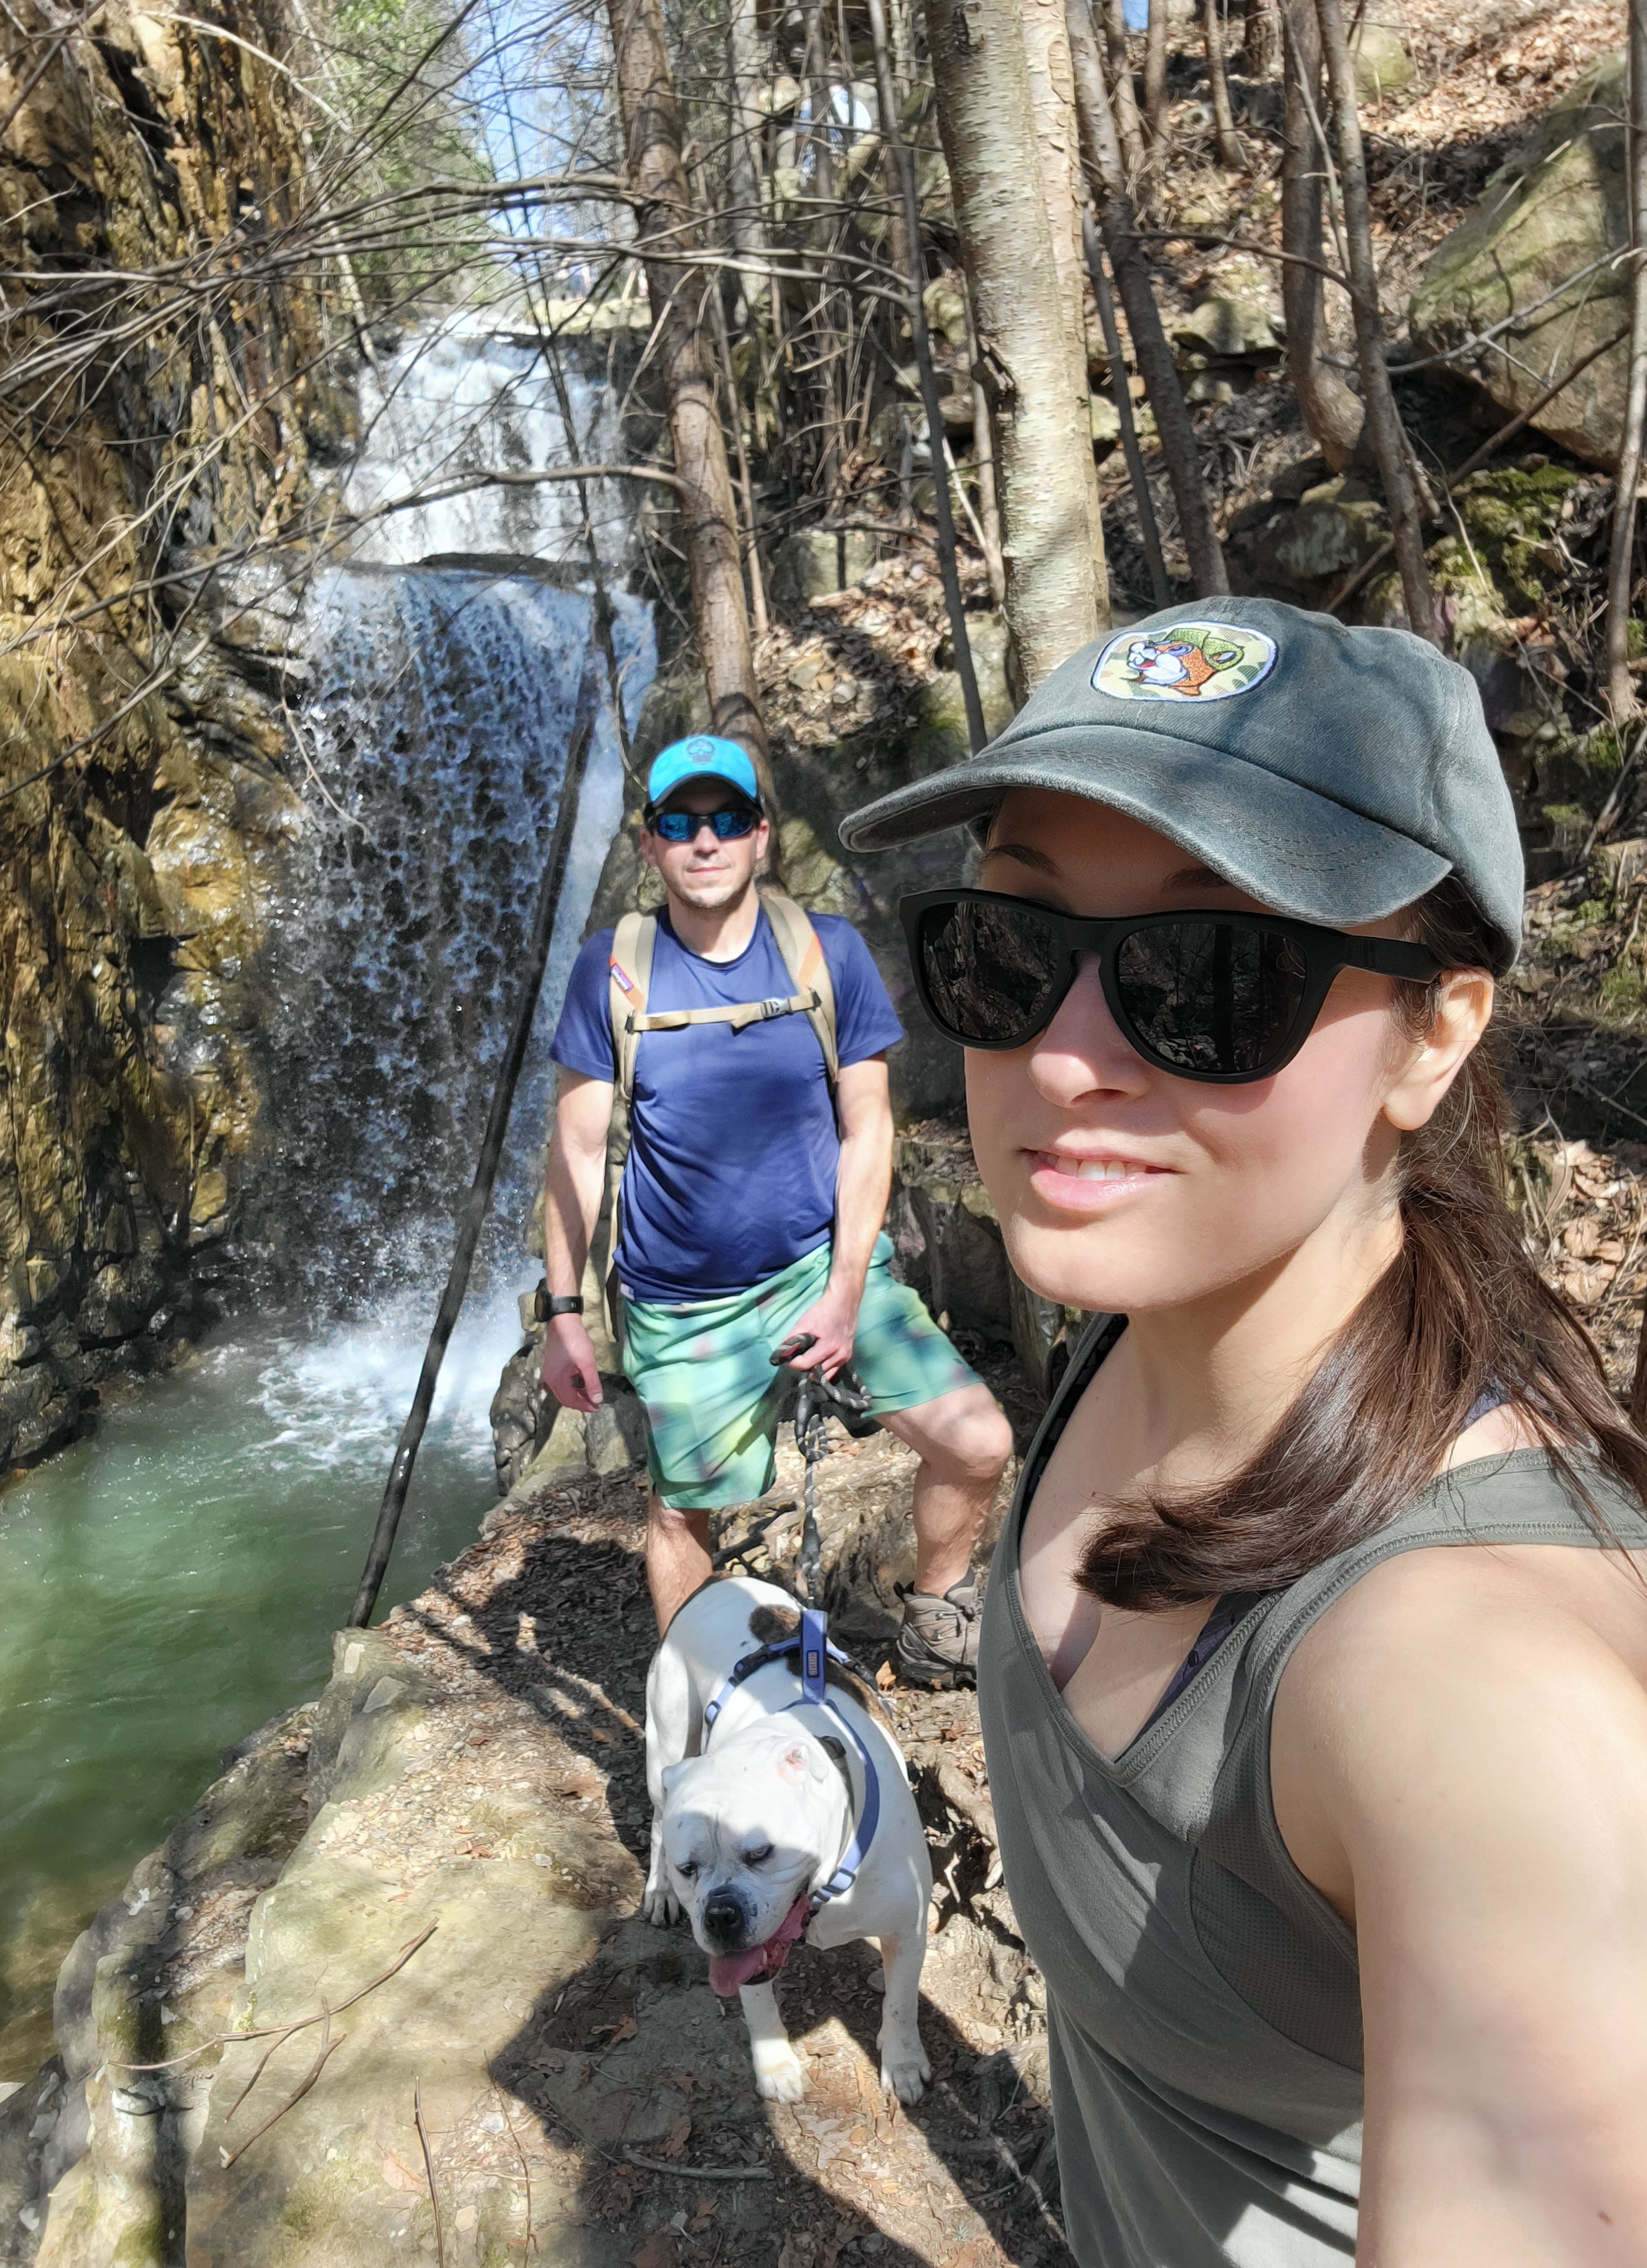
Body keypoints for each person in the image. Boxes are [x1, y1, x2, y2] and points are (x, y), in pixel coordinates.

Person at [839, 598, 1647, 2264]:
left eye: (1211, 976)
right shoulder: (1151, 1314)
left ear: (1435, 1032)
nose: (1064, 1060)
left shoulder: (1486, 1699)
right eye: (1009, 949)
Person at [540, 732, 1013, 1680]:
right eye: (680, 823)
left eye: (726, 821)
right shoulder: (613, 969)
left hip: (822, 1269)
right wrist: (562, 1317)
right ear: (651, 845)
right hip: (682, 1303)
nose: (704, 841)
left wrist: (844, 1293)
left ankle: (936, 1618)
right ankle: (697, 1699)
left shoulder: (824, 953)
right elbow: (578, 1150)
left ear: (762, 836)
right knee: (685, 1509)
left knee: (980, 1442)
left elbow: (868, 1130)